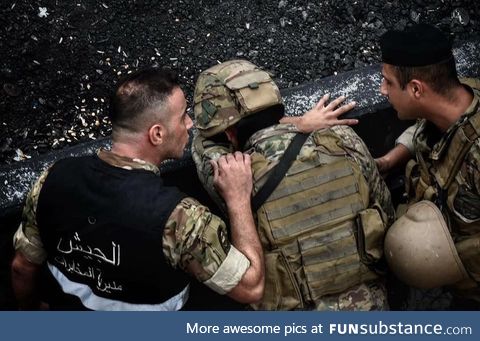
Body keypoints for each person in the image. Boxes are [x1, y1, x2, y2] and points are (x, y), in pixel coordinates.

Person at [10, 67, 264, 310]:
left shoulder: (52, 178)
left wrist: (29, 310)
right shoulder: (181, 218)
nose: (190, 123)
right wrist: (238, 198)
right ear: (157, 134)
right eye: (183, 115)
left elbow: (22, 267)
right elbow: (251, 287)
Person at [192, 60, 395, 310]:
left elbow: (201, 143)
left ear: (229, 134)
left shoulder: (233, 175)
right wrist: (295, 124)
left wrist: (294, 123)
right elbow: (385, 208)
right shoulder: (343, 138)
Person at [375, 24, 480, 307]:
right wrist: (391, 159)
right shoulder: (455, 96)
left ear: (416, 89)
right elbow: (425, 132)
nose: (382, 90)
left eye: (388, 82)